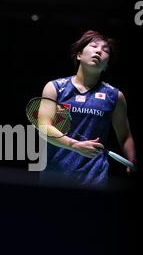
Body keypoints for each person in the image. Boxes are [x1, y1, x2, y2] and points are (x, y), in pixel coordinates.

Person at [40, 30, 137, 187]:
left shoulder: (115, 96)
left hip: (94, 178)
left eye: (105, 50)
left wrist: (131, 159)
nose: (99, 51)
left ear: (106, 65)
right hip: (55, 175)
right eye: (94, 46)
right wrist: (74, 145)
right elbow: (44, 127)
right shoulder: (55, 88)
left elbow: (125, 135)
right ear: (79, 55)